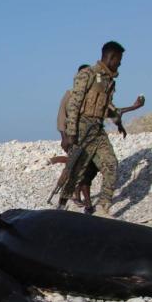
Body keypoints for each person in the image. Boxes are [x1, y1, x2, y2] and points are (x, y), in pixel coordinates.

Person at [57, 41, 145, 216]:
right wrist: (71, 133)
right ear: (111, 57)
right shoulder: (87, 74)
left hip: (97, 129)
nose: (119, 64)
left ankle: (103, 207)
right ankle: (61, 206)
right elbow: (74, 104)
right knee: (77, 170)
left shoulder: (109, 81)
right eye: (118, 60)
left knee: (111, 164)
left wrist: (119, 123)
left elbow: (107, 108)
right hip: (82, 128)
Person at [57, 64, 93, 207]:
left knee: (85, 170)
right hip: (74, 138)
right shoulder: (70, 95)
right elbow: (61, 116)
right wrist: (64, 137)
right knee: (76, 169)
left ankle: (82, 199)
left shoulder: (92, 97)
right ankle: (72, 199)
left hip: (89, 139)